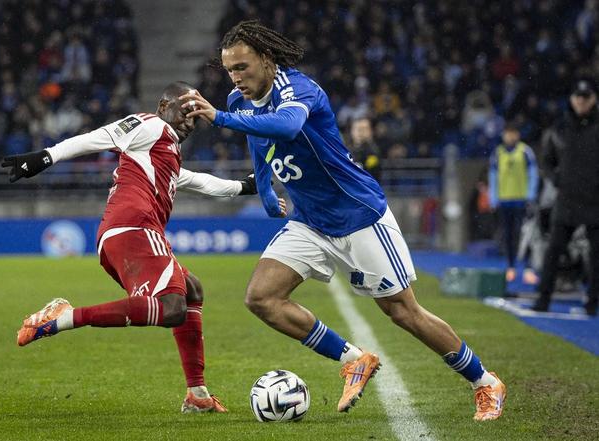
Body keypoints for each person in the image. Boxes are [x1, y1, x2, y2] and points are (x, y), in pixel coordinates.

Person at [181, 20, 506, 421]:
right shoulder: (238, 99)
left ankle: (485, 382)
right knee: (262, 298)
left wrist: (219, 118)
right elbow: (258, 140)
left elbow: (286, 125)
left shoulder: (298, 88)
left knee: (403, 312)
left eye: (242, 67)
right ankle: (354, 359)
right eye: (230, 69)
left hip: (357, 213)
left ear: (266, 59)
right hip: (309, 220)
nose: (235, 78)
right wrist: (264, 188)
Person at [2, 81, 260, 413]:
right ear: (164, 106)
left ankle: (197, 394)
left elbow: (198, 181)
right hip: (134, 227)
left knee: (191, 291)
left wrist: (243, 186)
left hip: (124, 234)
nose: (190, 121)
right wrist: (47, 156)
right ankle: (65, 318)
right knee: (172, 308)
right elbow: (98, 136)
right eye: (185, 111)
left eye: (196, 117)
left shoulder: (163, 153)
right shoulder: (149, 125)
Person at [533, 79, 599, 316]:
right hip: (567, 200)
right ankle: (543, 299)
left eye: (586, 97)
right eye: (578, 97)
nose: (581, 101)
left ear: (593, 99)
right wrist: (557, 180)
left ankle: (593, 303)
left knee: (597, 256)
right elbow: (546, 161)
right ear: (572, 99)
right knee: (553, 252)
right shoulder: (560, 127)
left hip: (595, 201)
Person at [488, 123, 538, 282]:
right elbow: (493, 175)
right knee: (508, 235)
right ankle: (511, 267)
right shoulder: (498, 153)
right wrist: (493, 197)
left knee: (525, 235)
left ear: (517, 134)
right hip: (504, 200)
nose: (510, 136)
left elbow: (533, 173)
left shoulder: (525, 151)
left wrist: (531, 195)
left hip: (521, 200)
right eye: (507, 133)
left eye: (512, 133)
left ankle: (528, 268)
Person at [348, 116, 382, 182]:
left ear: (370, 131)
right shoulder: (345, 151)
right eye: (357, 128)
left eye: (364, 129)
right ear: (351, 131)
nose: (360, 132)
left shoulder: (373, 152)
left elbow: (372, 176)